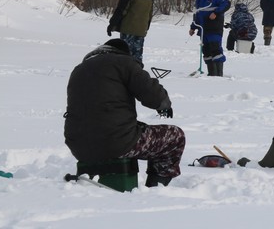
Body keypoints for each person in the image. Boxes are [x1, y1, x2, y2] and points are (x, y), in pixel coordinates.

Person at [64, 39, 185, 188]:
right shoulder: (123, 63)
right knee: (174, 137)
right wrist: (164, 104)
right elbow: (154, 96)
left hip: (78, 144)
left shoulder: (79, 70)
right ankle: (155, 189)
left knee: (135, 129)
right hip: (116, 141)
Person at [106, 0, 154, 65]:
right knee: (137, 55)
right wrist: (146, 28)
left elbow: (121, 10)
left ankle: (124, 74)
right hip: (141, 31)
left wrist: (112, 24)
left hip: (128, 29)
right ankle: (137, 74)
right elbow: (149, 16)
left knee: (125, 53)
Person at [189, 0, 231, 77]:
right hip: (203, 30)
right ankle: (211, 74)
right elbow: (198, 14)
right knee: (206, 52)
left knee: (215, 50)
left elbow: (226, 3)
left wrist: (216, 13)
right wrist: (193, 27)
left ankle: (218, 75)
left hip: (214, 27)